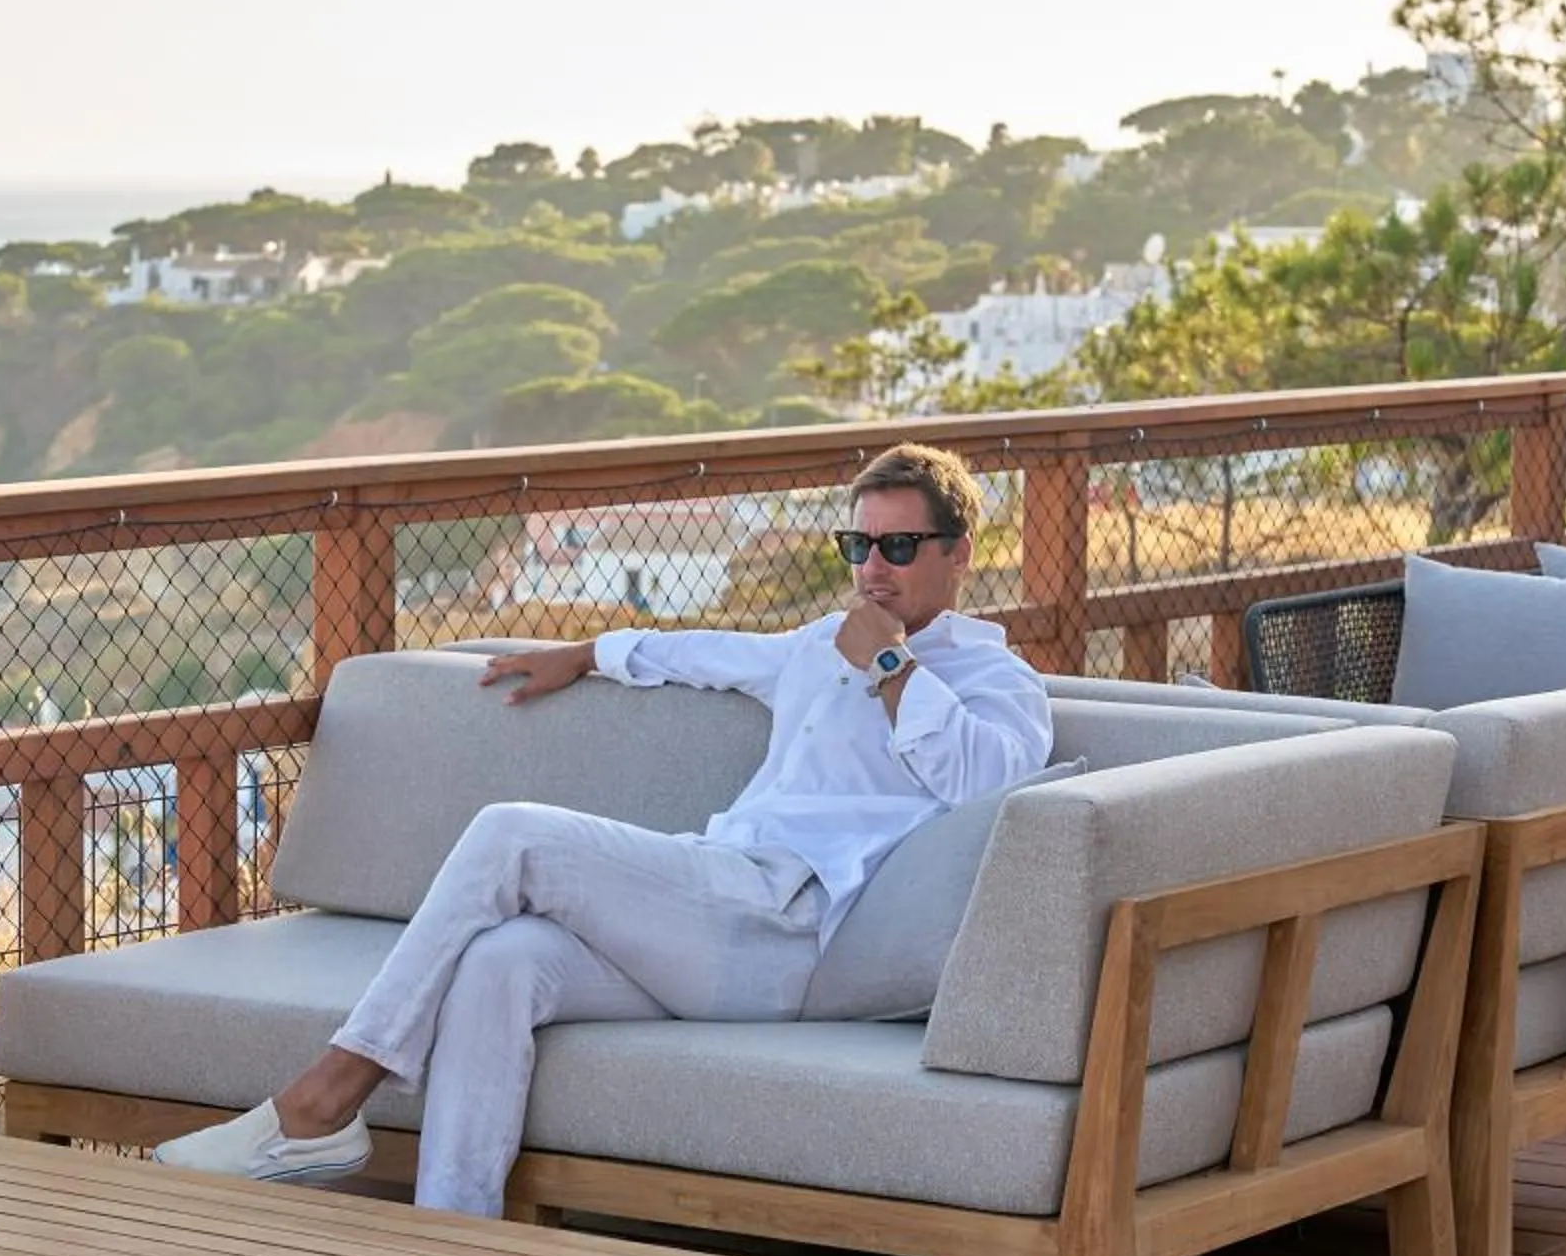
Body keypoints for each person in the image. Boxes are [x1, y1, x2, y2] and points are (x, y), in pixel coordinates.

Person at [154, 441, 1053, 1215]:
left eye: (899, 545)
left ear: (958, 553)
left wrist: (892, 664)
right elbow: (700, 651)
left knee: (515, 833)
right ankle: (455, 1244)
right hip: (713, 904)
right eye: (859, 544)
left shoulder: (992, 677)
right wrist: (583, 655)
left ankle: (325, 1098)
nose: (874, 568)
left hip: (790, 926)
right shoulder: (820, 644)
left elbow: (986, 783)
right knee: (502, 962)